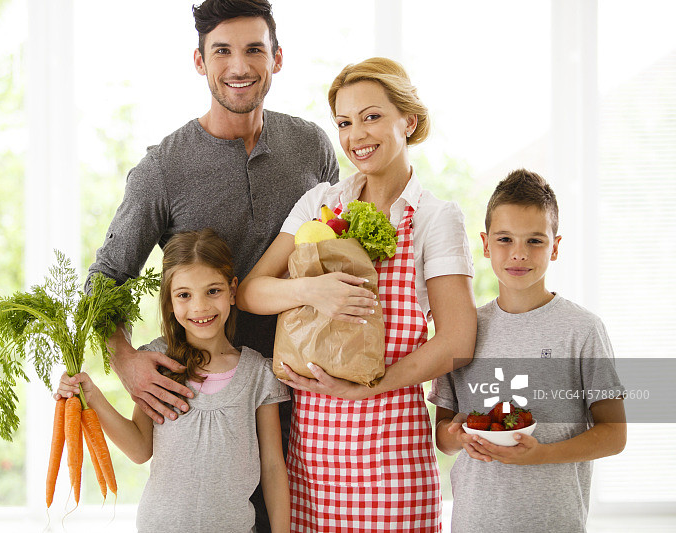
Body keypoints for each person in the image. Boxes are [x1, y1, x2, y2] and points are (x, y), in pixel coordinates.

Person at [236, 57, 477, 532]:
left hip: (393, 456)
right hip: (315, 456)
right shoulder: (321, 202)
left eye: (371, 117)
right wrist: (311, 289)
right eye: (344, 123)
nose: (356, 136)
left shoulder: (434, 218)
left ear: (407, 120)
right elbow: (250, 292)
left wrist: (366, 387)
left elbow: (458, 340)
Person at [86, 0, 338, 422]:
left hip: (311, 399)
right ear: (200, 62)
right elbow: (106, 279)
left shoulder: (312, 146)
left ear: (276, 58)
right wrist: (125, 361)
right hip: (205, 408)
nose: (239, 67)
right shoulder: (163, 169)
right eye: (222, 51)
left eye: (254, 50)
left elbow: (333, 250)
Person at [428, 169, 627, 533]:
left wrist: (542, 455)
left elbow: (614, 433)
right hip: (475, 522)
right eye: (505, 239)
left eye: (535, 241)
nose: (518, 254)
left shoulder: (582, 330)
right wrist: (456, 435)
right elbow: (443, 435)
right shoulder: (463, 329)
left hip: (554, 522)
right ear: (486, 245)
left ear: (555, 246)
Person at [59, 229, 290, 532]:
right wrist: (92, 396)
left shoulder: (259, 374)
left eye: (213, 291)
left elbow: (273, 468)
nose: (200, 307)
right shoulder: (155, 362)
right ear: (169, 301)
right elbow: (140, 450)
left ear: (232, 290)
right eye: (184, 295)